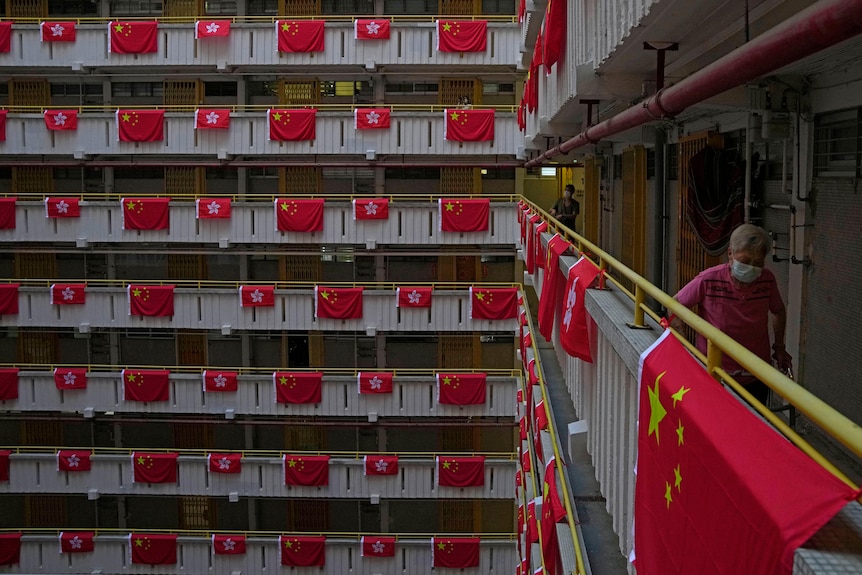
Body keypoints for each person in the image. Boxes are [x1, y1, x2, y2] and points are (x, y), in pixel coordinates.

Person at [673, 223, 792, 405]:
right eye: (745, 261)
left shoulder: (767, 280)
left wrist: (780, 347)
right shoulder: (709, 279)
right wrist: (685, 350)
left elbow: (778, 310)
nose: (752, 268)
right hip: (715, 373)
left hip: (755, 374)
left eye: (758, 263)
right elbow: (675, 305)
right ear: (730, 254)